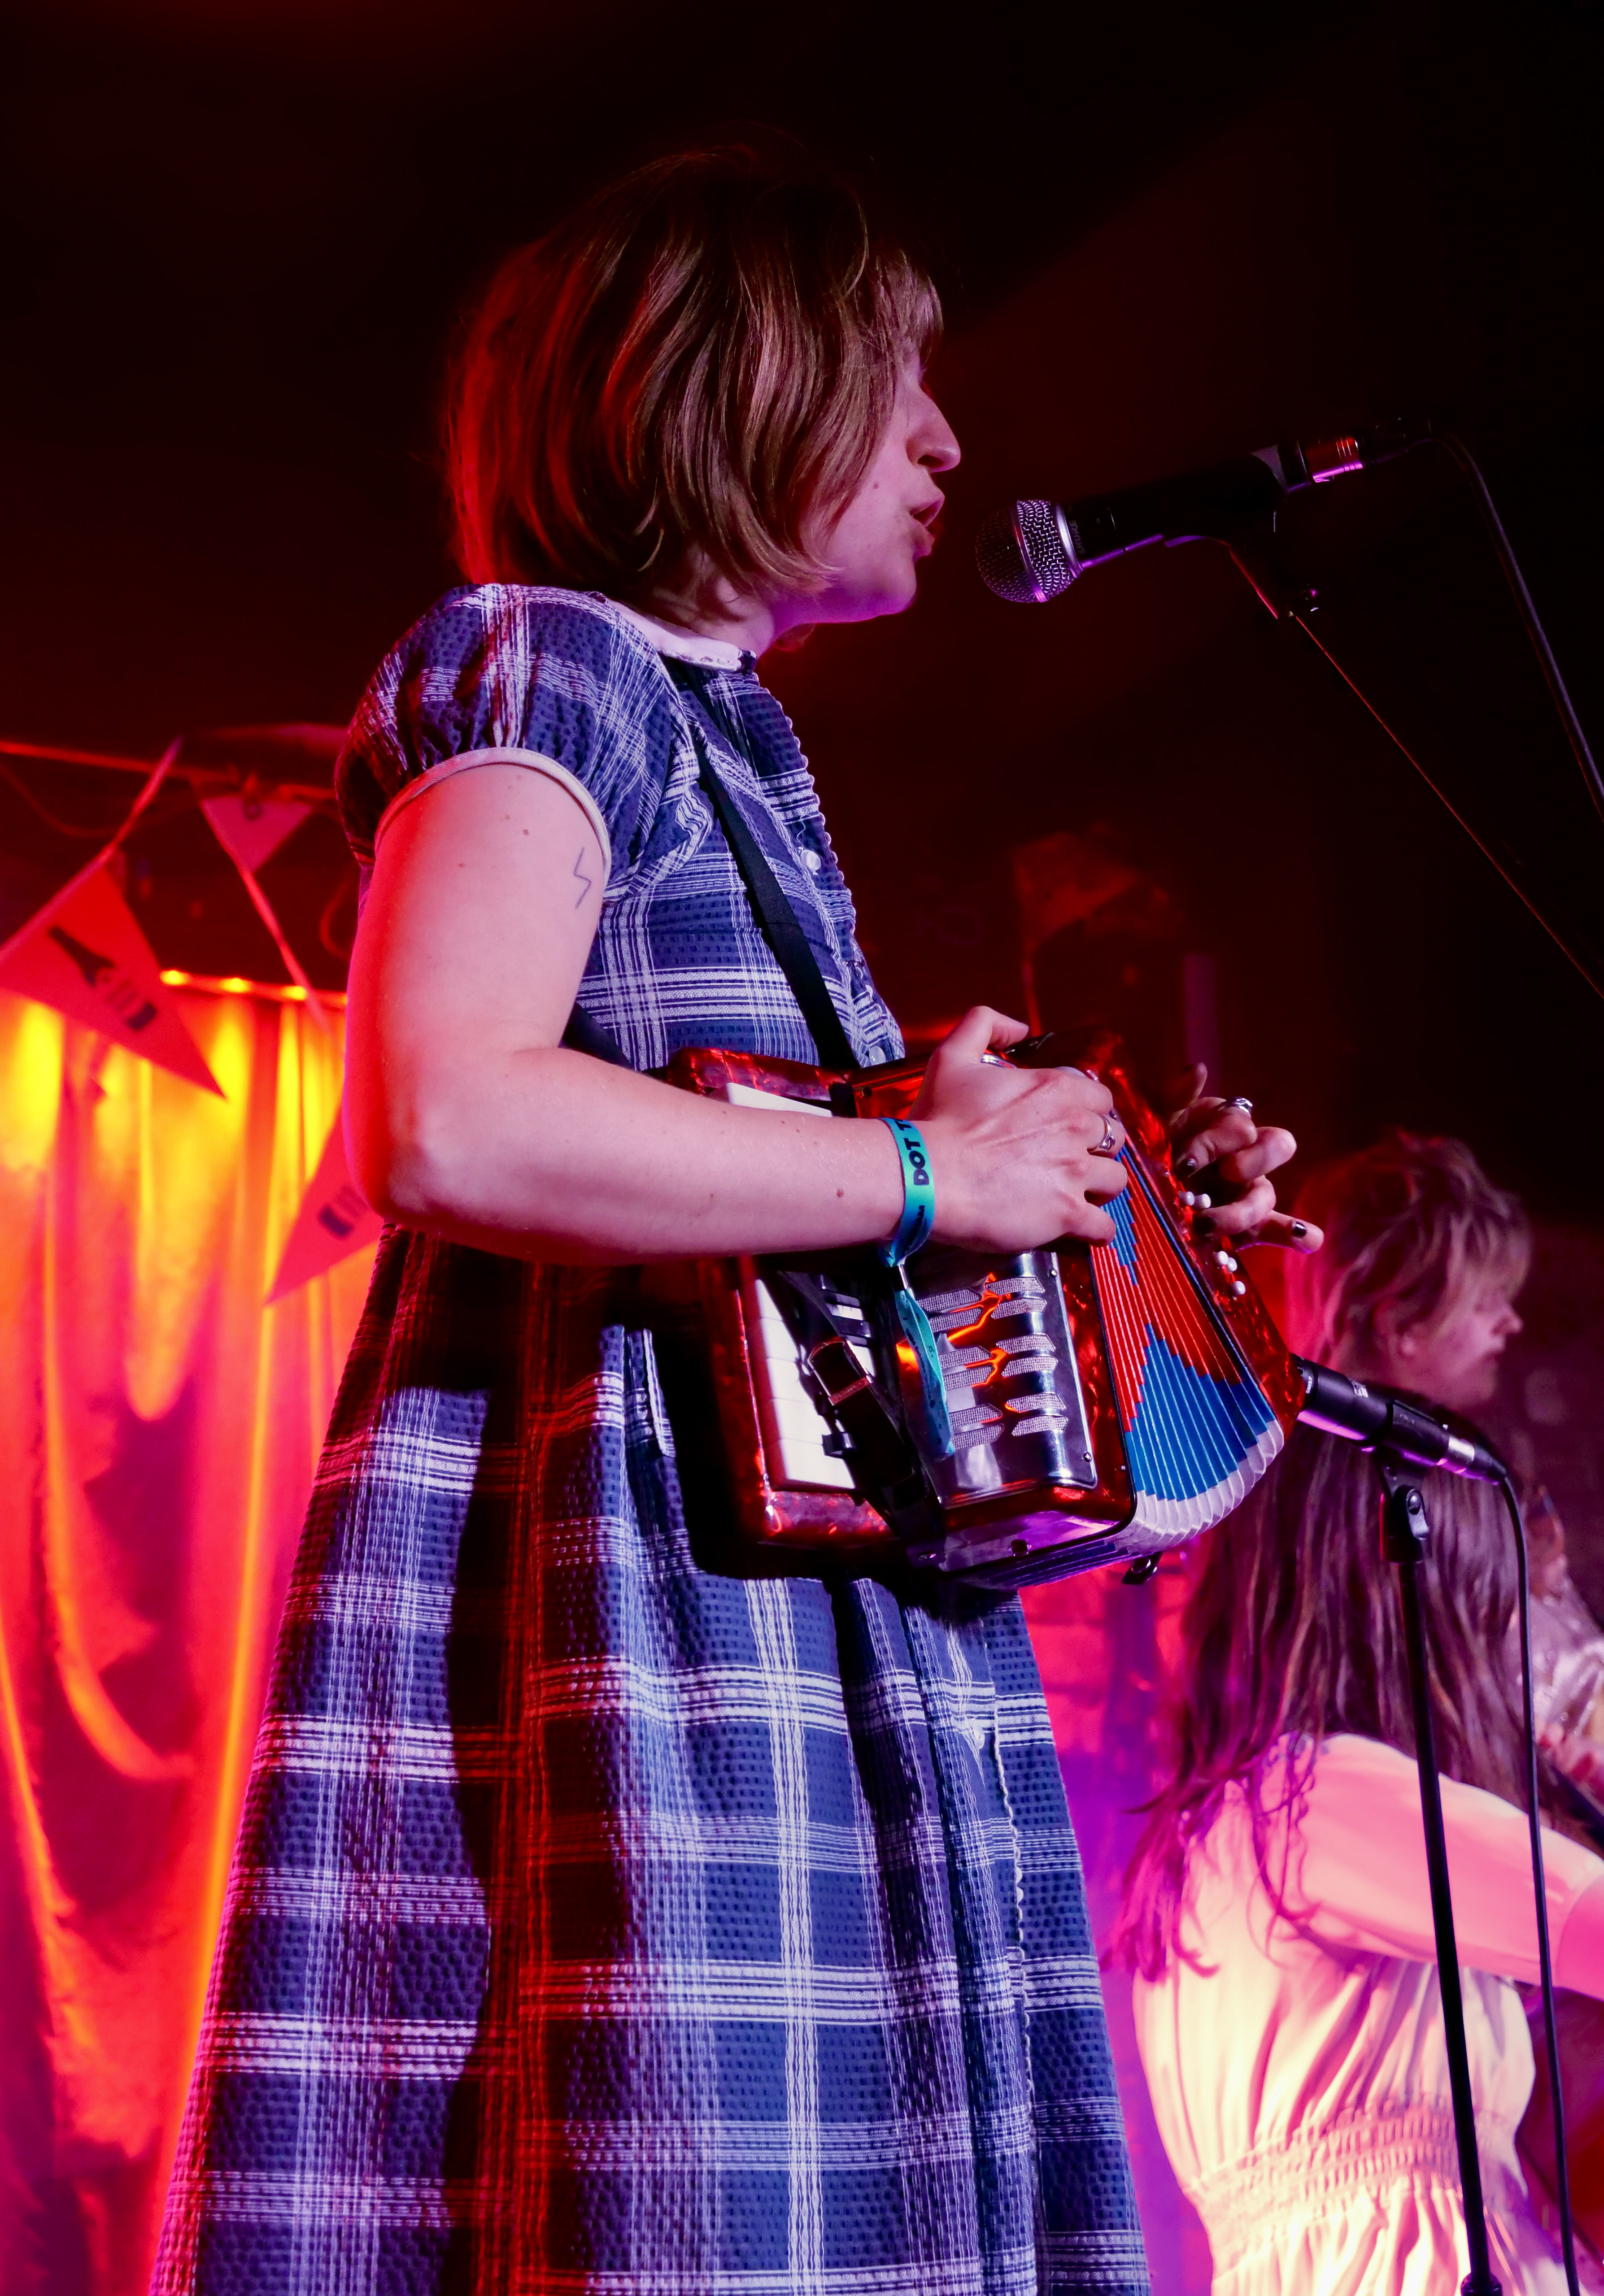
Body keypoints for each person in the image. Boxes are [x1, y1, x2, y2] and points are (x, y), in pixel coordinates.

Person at [153, 145, 1308, 2296]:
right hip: (644, 1628)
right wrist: (931, 1171)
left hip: (789, 1637)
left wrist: (1110, 1207)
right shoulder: (549, 662)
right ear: (734, 381)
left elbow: (776, 1229)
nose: (947, 441)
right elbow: (443, 1112)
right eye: (894, 379)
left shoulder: (731, 739)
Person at [1120, 1130, 1604, 2294]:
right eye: (1487, 1611)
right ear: (1410, 1608)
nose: (1503, 1650)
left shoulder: (1242, 1819)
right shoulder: (1329, 1800)